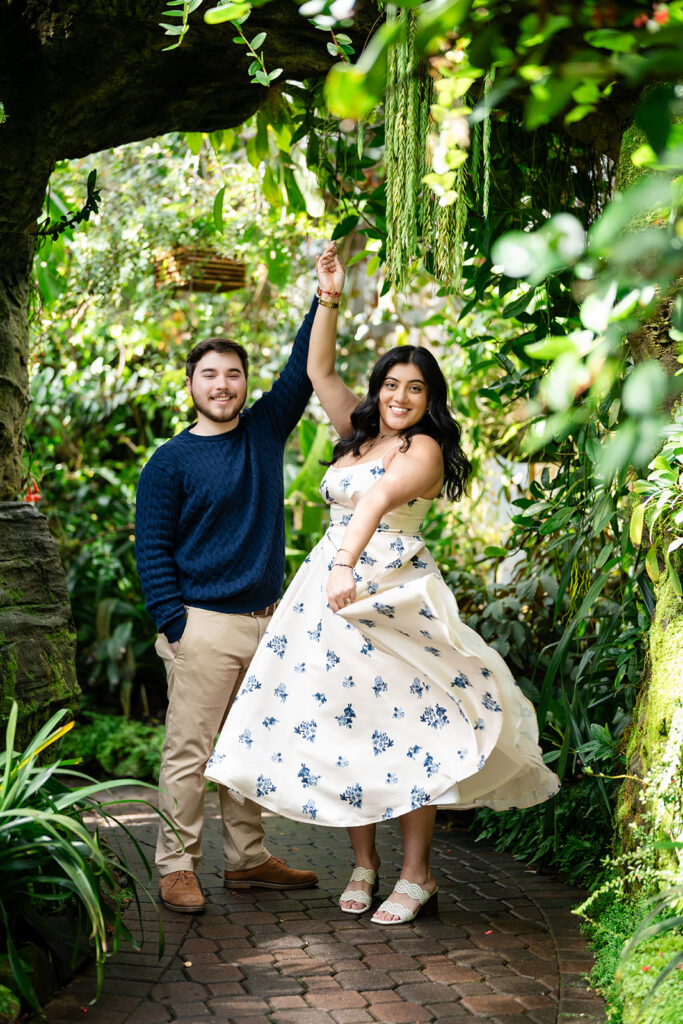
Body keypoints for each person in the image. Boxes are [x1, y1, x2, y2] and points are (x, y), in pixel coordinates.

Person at [205, 246, 560, 924]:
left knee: (409, 735)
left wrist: (342, 567)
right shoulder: (356, 434)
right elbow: (317, 369)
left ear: (431, 400)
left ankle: (417, 875)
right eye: (390, 385)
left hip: (389, 595)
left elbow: (372, 505)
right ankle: (364, 866)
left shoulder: (420, 449)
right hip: (328, 607)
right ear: (378, 390)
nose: (399, 397)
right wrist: (328, 298)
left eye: (415, 388)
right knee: (346, 730)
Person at [134, 277, 334, 912]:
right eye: (210, 374)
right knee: (190, 753)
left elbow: (303, 371)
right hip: (202, 625)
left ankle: (247, 860)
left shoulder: (263, 434)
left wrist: (325, 299)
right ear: (191, 385)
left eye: (234, 374)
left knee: (250, 747)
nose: (223, 384)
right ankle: (176, 864)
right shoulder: (168, 464)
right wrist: (175, 625)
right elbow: (151, 553)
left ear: (246, 383)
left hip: (266, 622)